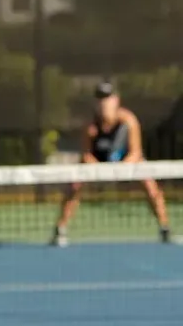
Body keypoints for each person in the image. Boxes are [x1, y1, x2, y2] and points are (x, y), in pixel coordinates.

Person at [50, 81, 171, 246]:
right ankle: (60, 228)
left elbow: (136, 152)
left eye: (107, 98)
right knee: (74, 185)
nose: (104, 103)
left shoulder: (129, 121)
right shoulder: (90, 128)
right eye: (100, 99)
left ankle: (164, 227)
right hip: (98, 162)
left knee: (150, 184)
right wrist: (99, 169)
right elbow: (86, 155)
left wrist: (122, 168)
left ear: (116, 100)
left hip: (126, 162)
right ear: (95, 103)